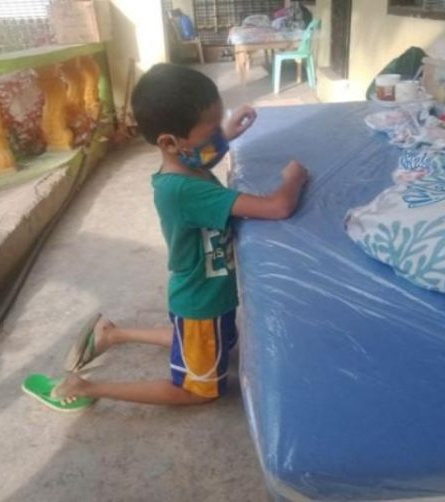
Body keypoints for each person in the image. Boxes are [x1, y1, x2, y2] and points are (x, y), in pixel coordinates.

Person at [46, 63, 308, 408]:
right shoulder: (184, 190)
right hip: (202, 304)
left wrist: (225, 134)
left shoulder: (184, 168)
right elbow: (278, 207)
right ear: (170, 142)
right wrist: (294, 179)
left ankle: (113, 334)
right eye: (211, 129)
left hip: (207, 297)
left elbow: (202, 155)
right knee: (198, 390)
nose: (216, 136)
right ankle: (85, 387)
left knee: (217, 343)